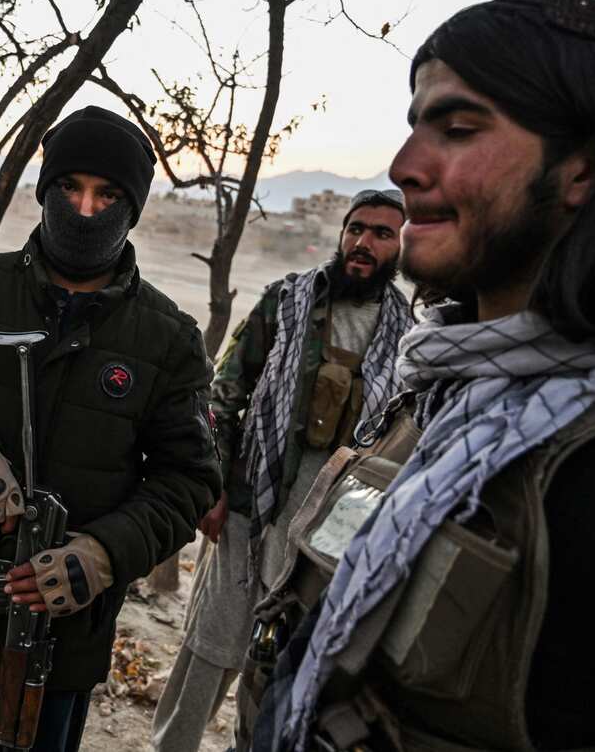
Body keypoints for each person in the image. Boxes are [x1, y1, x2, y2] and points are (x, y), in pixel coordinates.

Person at [251, 0, 595, 752]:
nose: (405, 167)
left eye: (458, 129)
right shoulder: (437, 391)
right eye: (415, 125)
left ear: (589, 165)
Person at [0, 105, 221, 751]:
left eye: (107, 194)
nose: (86, 210)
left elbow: (189, 480)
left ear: (132, 206)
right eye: (70, 188)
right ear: (45, 190)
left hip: (60, 641)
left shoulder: (169, 339)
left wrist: (106, 552)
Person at [151, 191, 413, 752]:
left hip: (328, 536)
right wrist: (214, 485)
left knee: (280, 664)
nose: (364, 244)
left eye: (382, 234)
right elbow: (223, 396)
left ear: (399, 247)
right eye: (357, 229)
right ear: (343, 233)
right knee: (211, 646)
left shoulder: (409, 337)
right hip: (253, 505)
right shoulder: (286, 300)